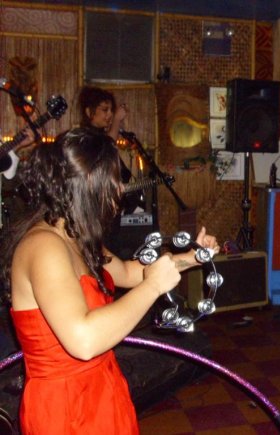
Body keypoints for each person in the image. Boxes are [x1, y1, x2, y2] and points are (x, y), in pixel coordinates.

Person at [0, 128, 220, 434]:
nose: (119, 190)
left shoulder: (76, 236)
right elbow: (84, 340)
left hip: (101, 389)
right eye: (114, 180)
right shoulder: (44, 247)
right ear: (91, 182)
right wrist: (153, 287)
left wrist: (194, 257)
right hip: (66, 408)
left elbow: (131, 273)